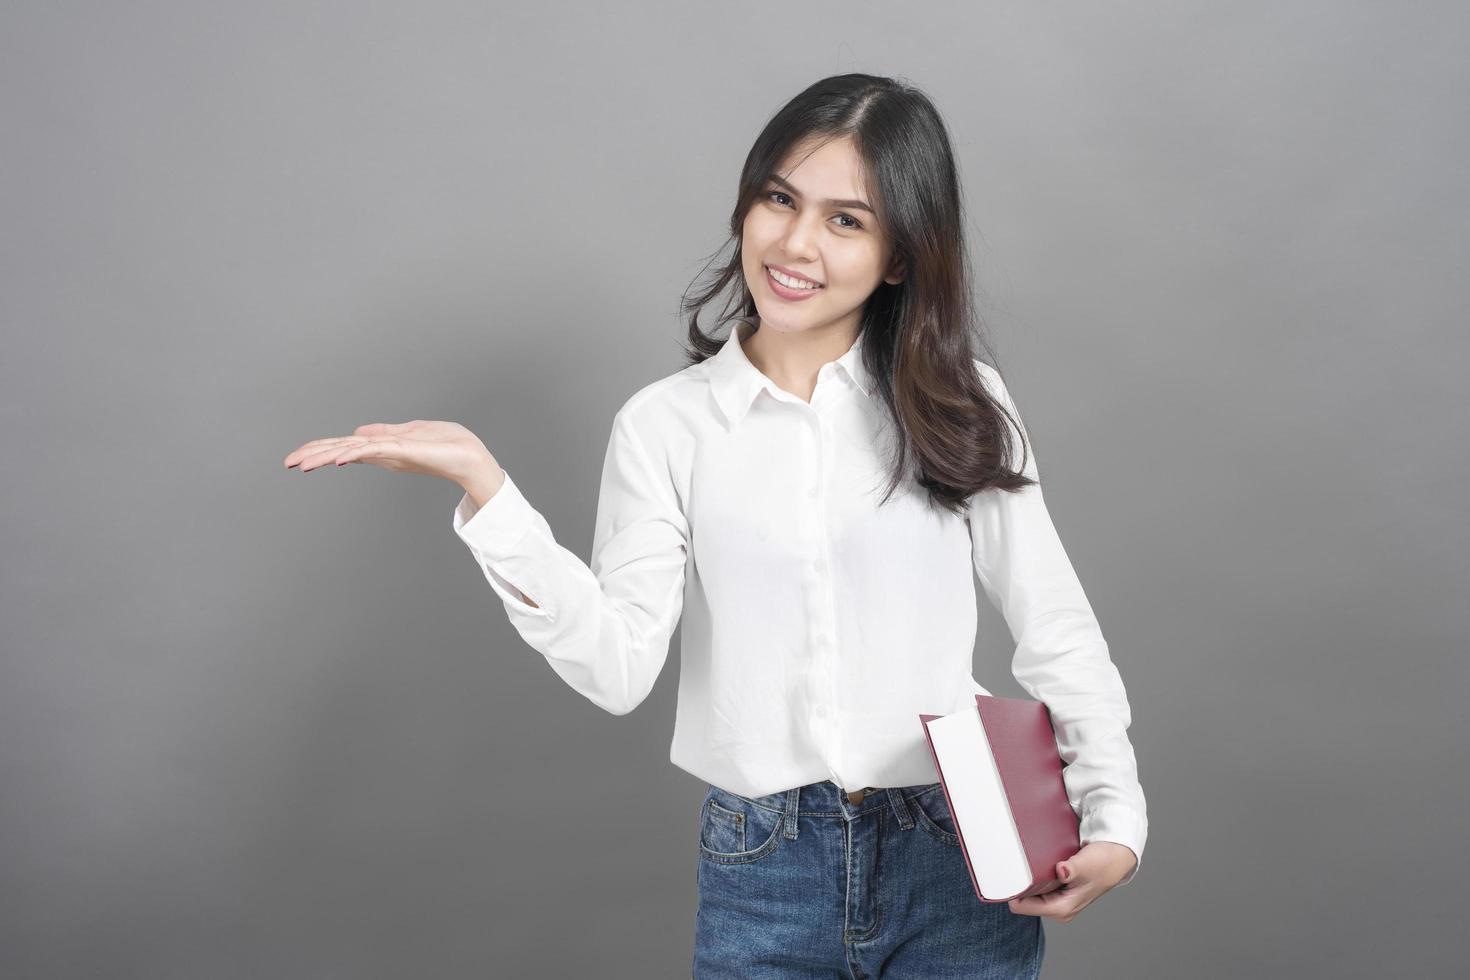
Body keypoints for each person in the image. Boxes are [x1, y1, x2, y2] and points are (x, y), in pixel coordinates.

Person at [284, 73, 1146, 979]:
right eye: (780, 198)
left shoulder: (961, 402)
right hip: (764, 864)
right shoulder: (665, 426)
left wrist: (1114, 816)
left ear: (899, 255)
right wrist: (488, 493)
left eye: (846, 220)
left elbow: (1055, 626)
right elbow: (618, 667)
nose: (795, 243)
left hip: (955, 849)